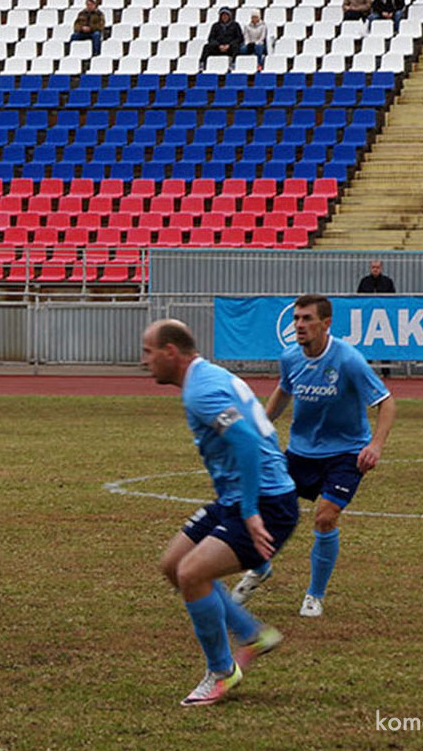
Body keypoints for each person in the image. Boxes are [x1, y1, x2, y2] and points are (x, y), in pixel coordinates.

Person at [141, 318, 296, 707]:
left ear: (170, 352)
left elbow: (245, 442)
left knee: (192, 573)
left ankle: (222, 672)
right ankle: (252, 633)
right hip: (239, 497)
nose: (145, 361)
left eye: (148, 352)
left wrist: (249, 510)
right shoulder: (207, 375)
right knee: (173, 563)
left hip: (264, 503)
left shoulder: (201, 391)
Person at [227, 295, 396, 620]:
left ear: (326, 323)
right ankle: (260, 569)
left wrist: (375, 445)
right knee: (259, 510)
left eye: (307, 319)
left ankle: (314, 596)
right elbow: (284, 390)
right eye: (296, 319)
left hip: (346, 453)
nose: (300, 325)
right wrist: (258, 427)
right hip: (301, 452)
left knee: (325, 517)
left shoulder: (348, 360)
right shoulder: (290, 357)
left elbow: (386, 402)